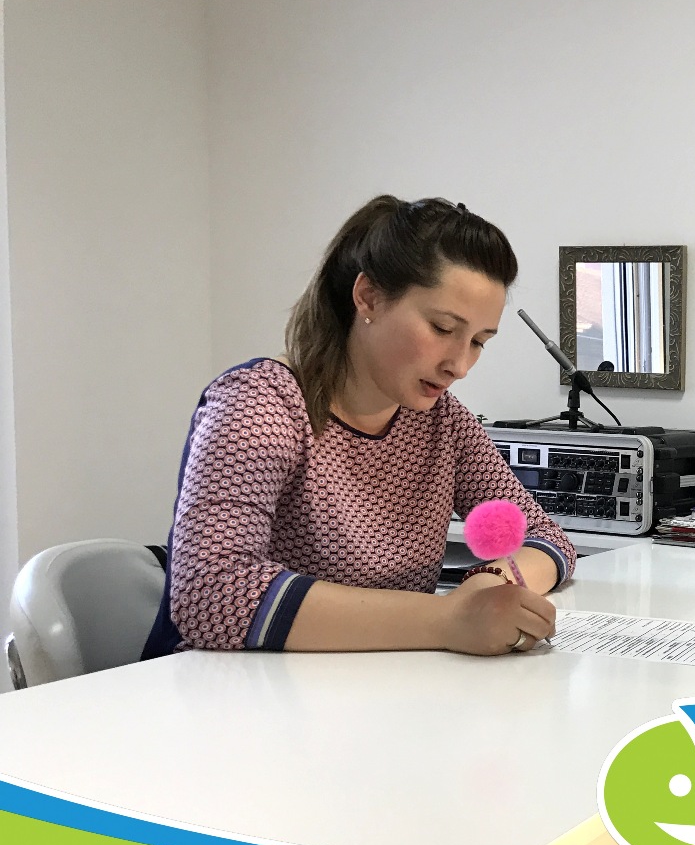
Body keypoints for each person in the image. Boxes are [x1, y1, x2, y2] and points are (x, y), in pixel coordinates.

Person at [143, 195, 574, 660]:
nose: (460, 365)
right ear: (368, 296)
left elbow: (546, 538)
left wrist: (491, 584)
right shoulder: (261, 405)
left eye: (478, 342)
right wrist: (447, 619)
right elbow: (210, 593)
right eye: (442, 328)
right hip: (231, 691)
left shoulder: (441, 421)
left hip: (373, 687)